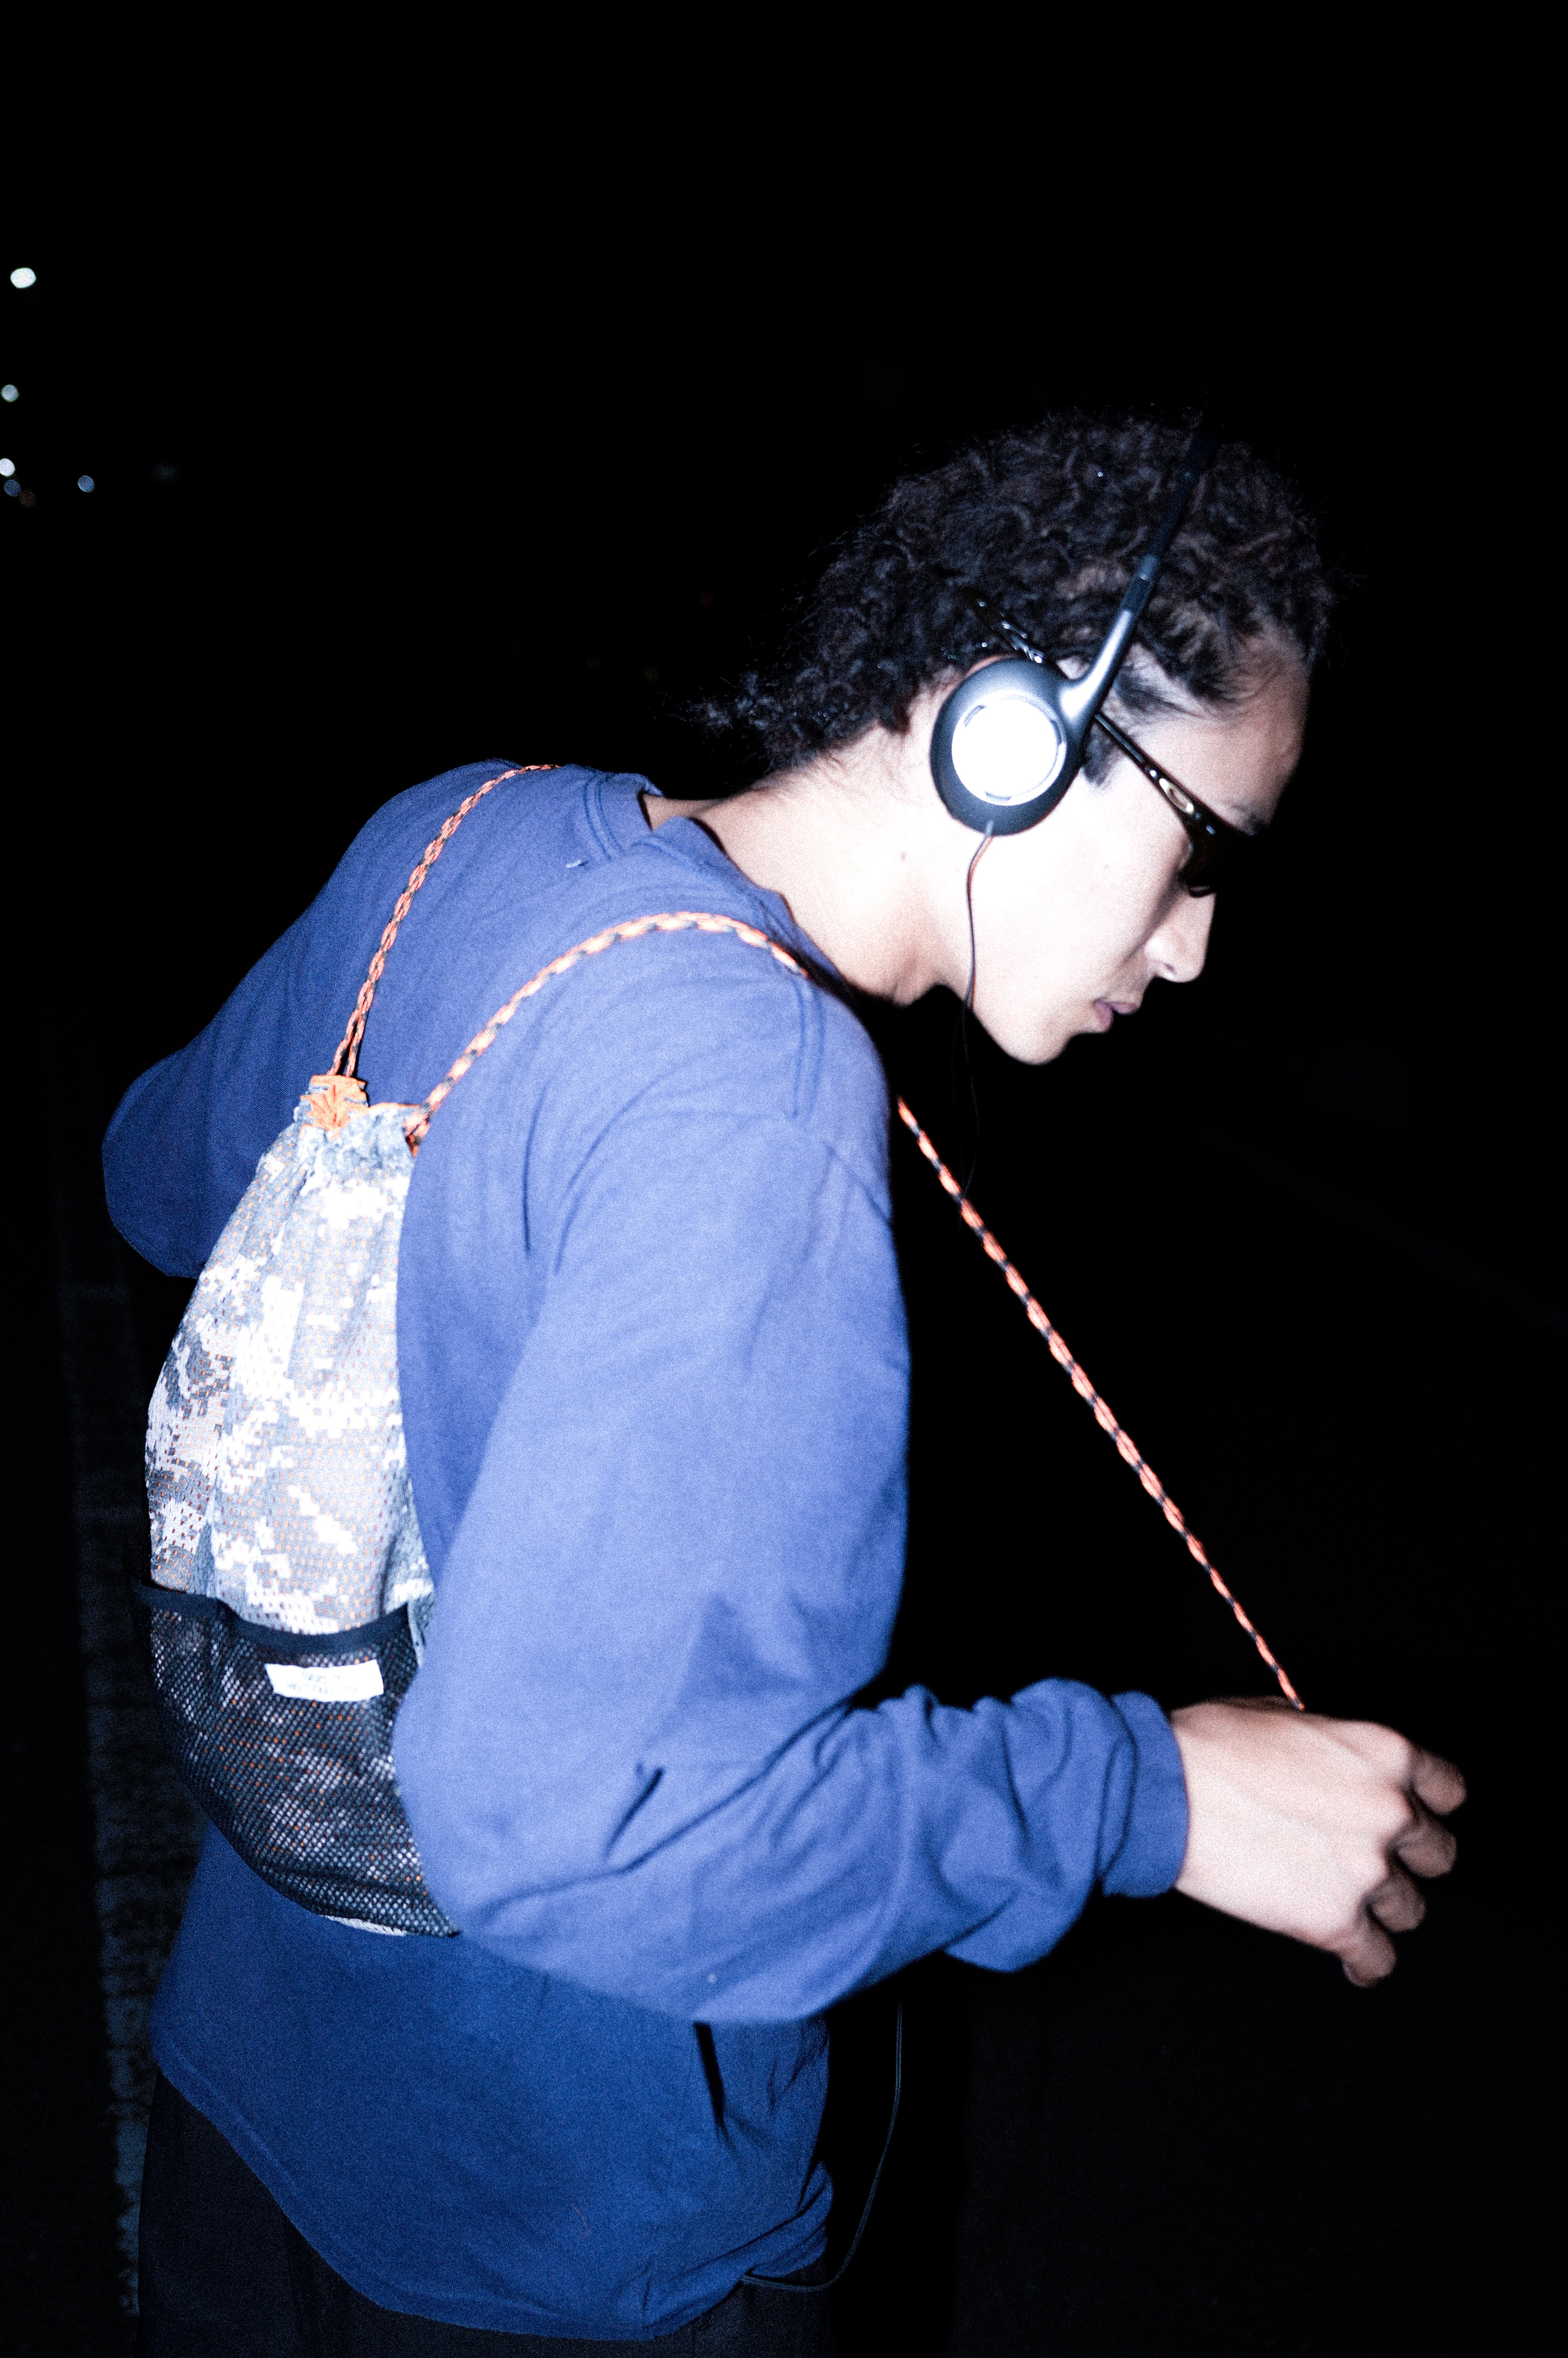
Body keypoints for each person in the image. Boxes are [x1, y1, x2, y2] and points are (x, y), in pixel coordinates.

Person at [106, 415, 1465, 2355]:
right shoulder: (751, 1103)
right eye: (1197, 851)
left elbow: (158, 1176)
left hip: (255, 2097)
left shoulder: (461, 829)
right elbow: (584, 1833)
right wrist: (1152, 1794)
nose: (1192, 948)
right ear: (1004, 735)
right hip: (567, 2234)